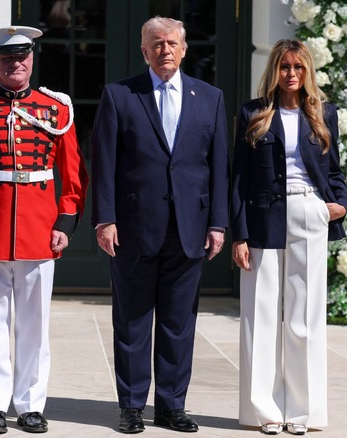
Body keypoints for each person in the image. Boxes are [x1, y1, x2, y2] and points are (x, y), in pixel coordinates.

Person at [0, 25, 88, 435]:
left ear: (32, 59)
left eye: (21, 57)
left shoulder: (56, 109)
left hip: (40, 229)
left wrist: (66, 220)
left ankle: (30, 405)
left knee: (35, 325)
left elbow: (72, 172)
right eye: (6, 58)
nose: (15, 64)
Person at [91, 16, 228, 434]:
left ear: (184, 49)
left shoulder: (210, 97)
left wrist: (219, 223)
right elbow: (104, 163)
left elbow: (218, 166)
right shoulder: (119, 95)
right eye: (156, 43)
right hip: (133, 226)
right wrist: (105, 219)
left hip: (190, 227)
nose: (164, 49)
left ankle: (171, 406)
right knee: (131, 321)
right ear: (144, 50)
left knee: (178, 323)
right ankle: (131, 406)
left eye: (171, 42)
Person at [230, 39, 347, 435]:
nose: (291, 74)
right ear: (275, 70)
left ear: (308, 71)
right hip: (263, 217)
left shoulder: (323, 113)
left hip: (310, 213)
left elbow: (334, 169)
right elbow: (239, 178)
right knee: (260, 319)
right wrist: (239, 234)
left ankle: (303, 413)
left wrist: (338, 205)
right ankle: (263, 411)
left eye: (298, 67)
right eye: (284, 67)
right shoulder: (253, 112)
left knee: (305, 319)